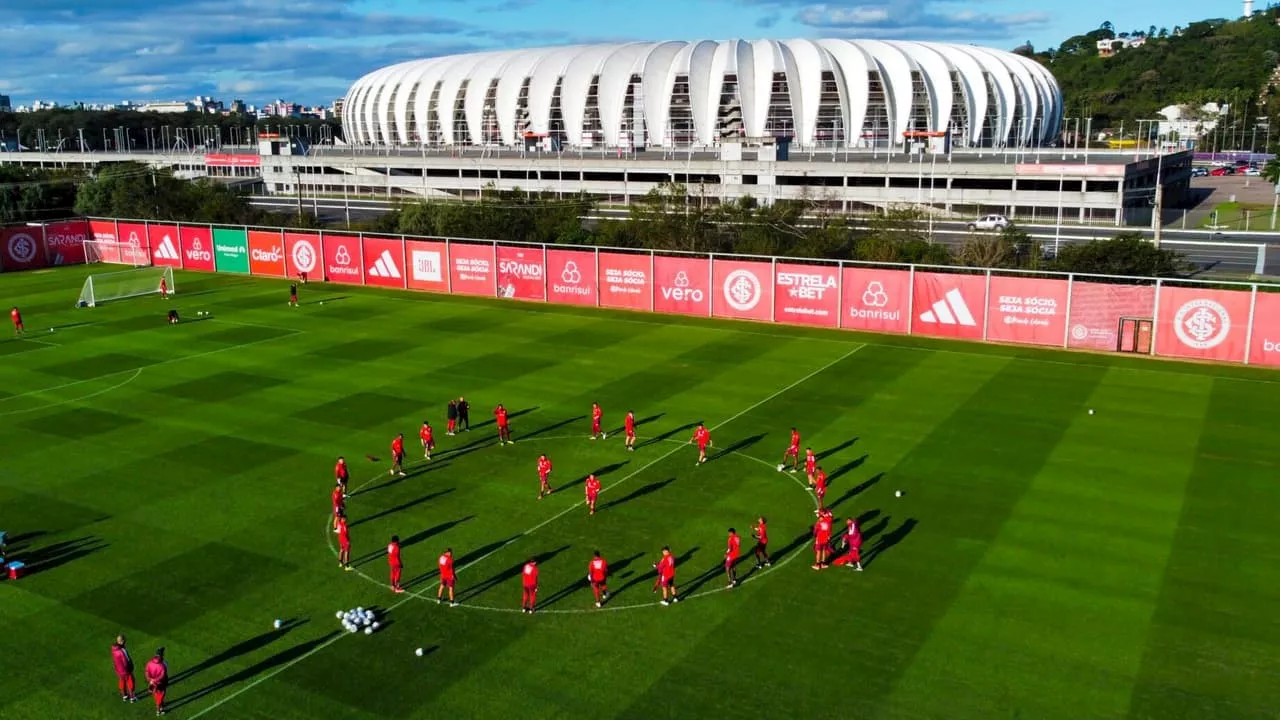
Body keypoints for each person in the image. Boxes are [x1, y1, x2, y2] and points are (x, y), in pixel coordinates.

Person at [111, 635, 137, 703]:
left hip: (119, 670)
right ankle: (132, 698)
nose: (125, 642)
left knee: (122, 682)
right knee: (130, 682)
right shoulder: (122, 650)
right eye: (124, 640)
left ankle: (124, 696)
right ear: (122, 641)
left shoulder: (113, 649)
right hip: (126, 670)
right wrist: (130, 668)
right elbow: (126, 661)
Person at [144, 648, 168, 716]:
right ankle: (159, 709)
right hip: (161, 683)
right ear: (162, 655)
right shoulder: (163, 664)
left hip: (152, 683)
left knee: (155, 694)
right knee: (161, 694)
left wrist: (150, 680)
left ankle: (161, 705)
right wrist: (155, 680)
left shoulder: (149, 663)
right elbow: (163, 676)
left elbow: (146, 672)